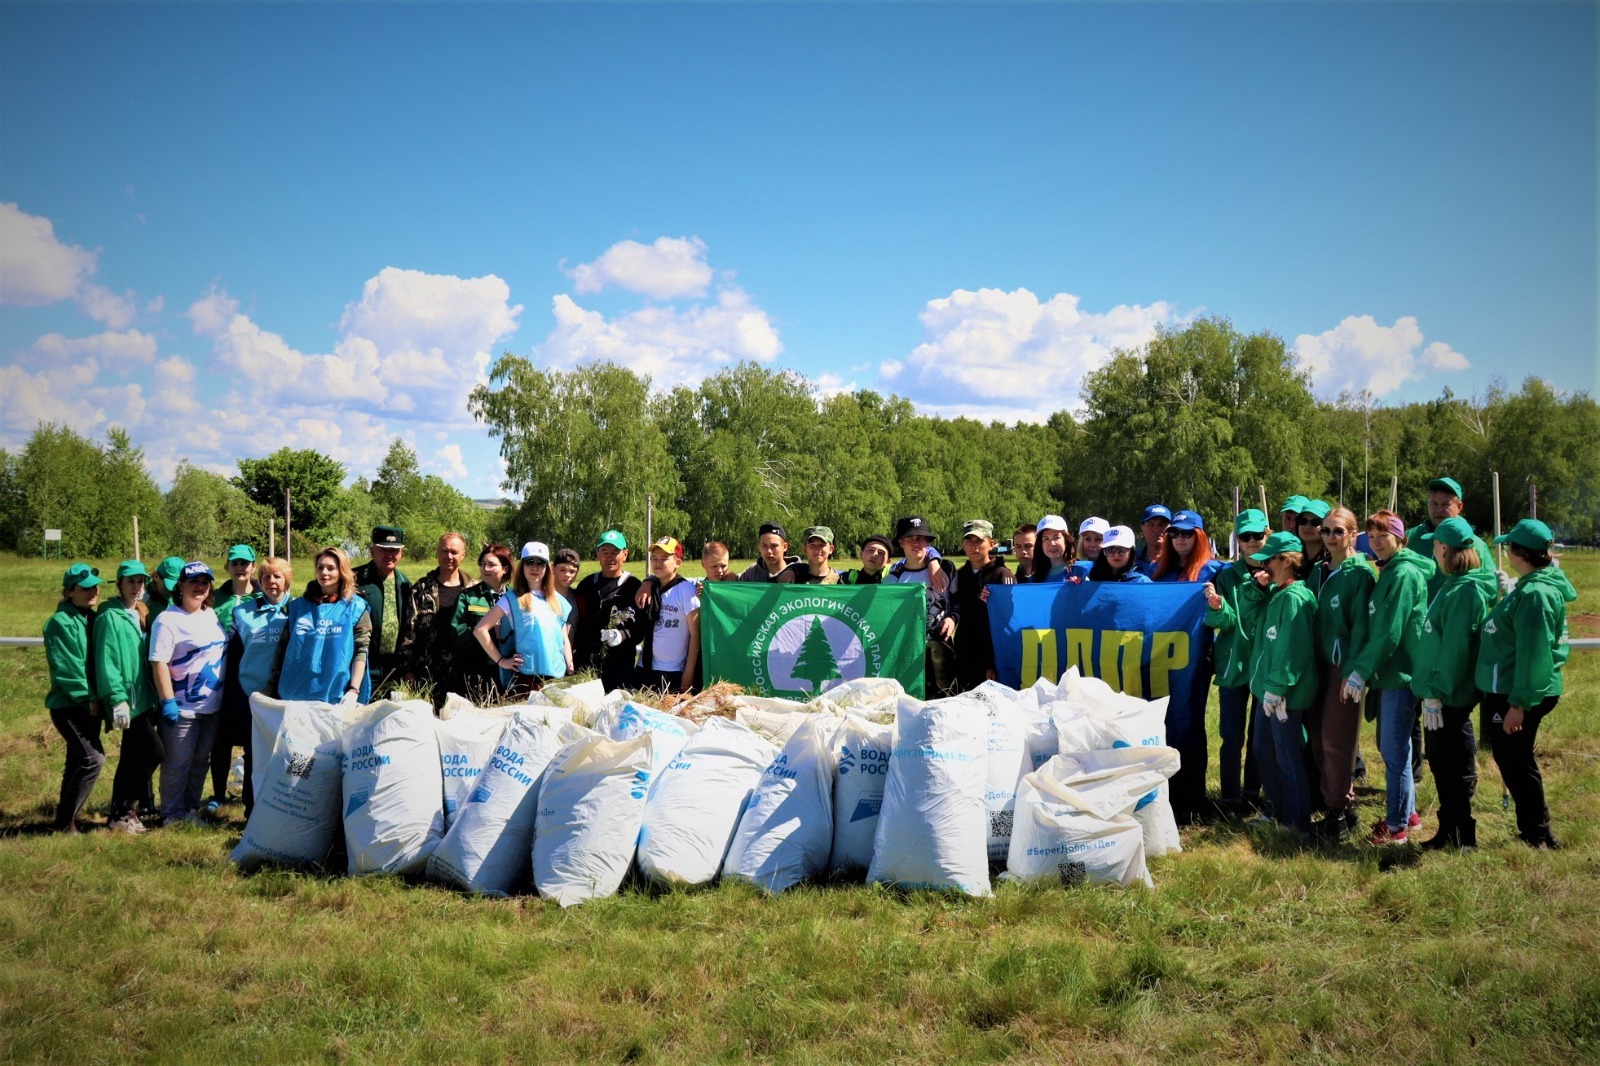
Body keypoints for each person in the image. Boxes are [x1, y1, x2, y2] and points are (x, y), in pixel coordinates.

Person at [1475, 518, 1575, 849]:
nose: (1505, 551)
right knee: (1513, 760)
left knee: (1516, 761)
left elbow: (1534, 654)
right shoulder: (1534, 585)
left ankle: (1537, 832)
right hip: (1517, 688)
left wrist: (1518, 705)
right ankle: (1535, 828)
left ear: (1520, 552)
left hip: (1519, 692)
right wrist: (1512, 591)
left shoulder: (1536, 595)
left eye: (1508, 547)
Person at [1215, 530, 1316, 836]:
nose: (1262, 567)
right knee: (1264, 751)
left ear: (1286, 560)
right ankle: (1274, 810)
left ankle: (1297, 822)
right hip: (1266, 690)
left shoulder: (1295, 599)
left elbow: (1291, 649)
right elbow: (1245, 614)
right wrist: (1257, 588)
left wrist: (1278, 687)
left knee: (1287, 757)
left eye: (1268, 561)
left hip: (1282, 693)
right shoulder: (1273, 593)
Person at [1342, 511, 1434, 845]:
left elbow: (1390, 631)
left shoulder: (1404, 573)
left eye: (1384, 535)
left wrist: (1360, 671)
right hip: (1390, 672)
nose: (1378, 542)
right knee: (1394, 748)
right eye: (1373, 536)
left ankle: (1396, 829)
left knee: (1394, 754)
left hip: (1399, 673)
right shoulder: (1390, 569)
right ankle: (1409, 815)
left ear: (1400, 537)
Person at [1411, 516, 1496, 850]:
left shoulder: (1465, 592)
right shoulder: (1453, 585)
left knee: (1451, 763)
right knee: (1441, 762)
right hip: (1441, 692)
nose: (1432, 549)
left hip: (1450, 695)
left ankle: (1462, 833)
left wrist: (1436, 691)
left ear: (1445, 548)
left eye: (1434, 544)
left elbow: (1455, 649)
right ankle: (1449, 828)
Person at [1308, 506, 1377, 841]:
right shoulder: (1318, 571)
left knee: (1337, 739)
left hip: (1342, 668)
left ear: (1353, 535)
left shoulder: (1359, 574)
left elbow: (1363, 628)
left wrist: (1354, 672)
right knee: (1319, 739)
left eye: (1338, 531)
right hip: (1315, 666)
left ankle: (1338, 812)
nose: (1331, 537)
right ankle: (1339, 807)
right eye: (1326, 531)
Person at [149, 561, 229, 826]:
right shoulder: (168, 619)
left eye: (205, 582)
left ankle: (191, 810)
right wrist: (168, 700)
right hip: (182, 708)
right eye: (193, 581)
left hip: (211, 706)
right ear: (180, 585)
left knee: (199, 762)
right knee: (177, 762)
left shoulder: (210, 615)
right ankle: (171, 814)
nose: (199, 587)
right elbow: (158, 662)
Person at [1208, 510, 1270, 816]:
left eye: (1256, 536)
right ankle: (1230, 798)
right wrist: (1218, 607)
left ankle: (1252, 794)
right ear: (1238, 541)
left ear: (1266, 535)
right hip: (1234, 663)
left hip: (1265, 664)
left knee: (1260, 737)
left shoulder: (1278, 569)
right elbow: (1226, 620)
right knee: (1231, 736)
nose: (1251, 542)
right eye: (1244, 537)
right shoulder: (1226, 576)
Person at [222, 556, 293, 817]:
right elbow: (232, 653)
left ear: (287, 579)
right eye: (265, 577)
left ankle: (285, 810)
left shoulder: (298, 610)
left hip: (287, 695)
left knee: (287, 753)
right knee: (255, 755)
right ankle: (252, 812)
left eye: (277, 576)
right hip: (251, 695)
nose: (271, 581)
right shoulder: (243, 612)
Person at [94, 561, 160, 833]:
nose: (136, 587)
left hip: (144, 697)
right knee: (155, 752)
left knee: (132, 756)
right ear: (119, 584)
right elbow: (106, 660)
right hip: (127, 701)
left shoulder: (141, 612)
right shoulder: (109, 617)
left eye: (140, 582)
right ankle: (123, 810)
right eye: (131, 582)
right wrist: (116, 697)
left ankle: (122, 814)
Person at [44, 563, 106, 833]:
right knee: (93, 759)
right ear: (69, 592)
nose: (92, 592)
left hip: (91, 704)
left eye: (95, 586)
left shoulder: (91, 618)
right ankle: (65, 821)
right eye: (84, 588)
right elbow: (68, 666)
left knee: (76, 762)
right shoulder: (60, 623)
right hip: (70, 705)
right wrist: (88, 696)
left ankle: (64, 821)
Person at [269, 547, 372, 705]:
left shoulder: (356, 607)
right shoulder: (298, 607)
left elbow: (361, 651)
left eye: (331, 568)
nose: (324, 572)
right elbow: (282, 652)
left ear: (341, 571)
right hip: (295, 696)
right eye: (320, 567)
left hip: (336, 697)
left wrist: (353, 690)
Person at [475, 542, 573, 698]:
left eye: (540, 563)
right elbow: (480, 630)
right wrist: (501, 661)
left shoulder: (557, 600)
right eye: (529, 562)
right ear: (522, 567)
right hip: (527, 679)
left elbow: (563, 637)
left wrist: (570, 663)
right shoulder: (511, 598)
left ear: (547, 568)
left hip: (557, 677)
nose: (535, 568)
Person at [206, 543, 260, 810]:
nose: (240, 568)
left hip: (253, 674)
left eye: (245, 563)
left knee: (252, 739)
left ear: (253, 567)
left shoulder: (262, 598)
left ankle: (252, 795)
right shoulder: (215, 598)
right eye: (235, 563)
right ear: (227, 566)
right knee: (221, 739)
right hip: (220, 675)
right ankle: (217, 794)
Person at [886, 515, 957, 697]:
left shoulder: (946, 569)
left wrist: (952, 618)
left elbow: (959, 601)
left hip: (941, 647)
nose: (916, 544)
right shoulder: (893, 579)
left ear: (928, 542)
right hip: (907, 650)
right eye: (910, 539)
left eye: (921, 539)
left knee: (945, 697)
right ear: (901, 542)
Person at [573, 529, 646, 691]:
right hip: (587, 666)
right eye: (604, 552)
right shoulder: (587, 585)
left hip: (620, 667)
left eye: (615, 552)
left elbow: (642, 626)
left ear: (625, 555)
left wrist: (623, 634)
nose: (610, 557)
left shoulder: (633, 586)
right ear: (597, 554)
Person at [402, 532, 471, 703]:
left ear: (463, 555)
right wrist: (408, 670)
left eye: (454, 552)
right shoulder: (421, 588)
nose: (449, 556)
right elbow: (408, 631)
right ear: (437, 553)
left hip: (464, 670)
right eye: (444, 551)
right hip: (427, 671)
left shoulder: (473, 589)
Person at [949, 520, 1015, 691]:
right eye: (969, 541)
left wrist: (994, 662)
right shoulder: (960, 575)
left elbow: (1008, 623)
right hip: (964, 655)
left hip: (991, 658)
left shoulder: (1002, 575)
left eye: (979, 540)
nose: (974, 546)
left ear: (991, 543)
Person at [1406, 476, 1498, 597]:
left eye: (1445, 505)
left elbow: (1489, 589)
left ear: (1459, 507)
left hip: (1455, 613)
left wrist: (1498, 586)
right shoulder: (1410, 537)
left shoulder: (1474, 544)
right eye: (1434, 504)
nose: (1438, 510)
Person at [449, 543, 515, 703]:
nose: (485, 569)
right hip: (477, 671)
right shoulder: (468, 596)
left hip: (511, 671)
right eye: (482, 564)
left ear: (505, 569)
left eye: (491, 564)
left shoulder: (516, 598)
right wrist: (489, 632)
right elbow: (456, 632)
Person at [354, 524, 413, 696]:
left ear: (401, 553)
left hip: (394, 667)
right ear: (372, 551)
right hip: (363, 664)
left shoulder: (405, 583)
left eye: (395, 550)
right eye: (383, 550)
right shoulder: (354, 579)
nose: (389, 555)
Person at [636, 537, 700, 694]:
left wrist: (689, 671)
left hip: (672, 670)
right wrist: (648, 582)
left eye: (664, 559)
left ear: (677, 563)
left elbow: (695, 634)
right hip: (645, 665)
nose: (658, 563)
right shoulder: (651, 588)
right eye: (654, 558)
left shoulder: (685, 590)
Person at [1152, 510, 1225, 583]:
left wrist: (1215, 594)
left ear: (1199, 537)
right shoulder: (1159, 570)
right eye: (1174, 533)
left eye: (1186, 533)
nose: (1180, 538)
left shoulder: (1216, 571)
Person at [1087, 525, 1153, 583]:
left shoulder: (1142, 582)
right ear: (1104, 552)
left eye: (1122, 549)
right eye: (1111, 550)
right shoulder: (1091, 577)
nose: (1116, 554)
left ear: (1131, 552)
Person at [777, 526, 843, 583]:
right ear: (805, 549)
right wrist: (791, 569)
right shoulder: (794, 580)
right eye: (812, 545)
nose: (817, 549)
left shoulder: (840, 582)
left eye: (822, 545)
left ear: (831, 549)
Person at [1024, 515, 1075, 582]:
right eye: (1046, 539)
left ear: (1065, 540)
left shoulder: (1079, 571)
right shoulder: (1034, 579)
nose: (1052, 543)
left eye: (1056, 537)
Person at [1296, 500, 1330, 596]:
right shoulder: (1291, 559)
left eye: (1315, 522)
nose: (1307, 526)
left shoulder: (1331, 561)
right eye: (1303, 521)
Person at [1135, 505, 1172, 575]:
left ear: (1170, 528)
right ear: (1142, 527)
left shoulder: (1180, 561)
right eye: (1151, 524)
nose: (1156, 529)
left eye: (1161, 524)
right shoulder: (1132, 561)